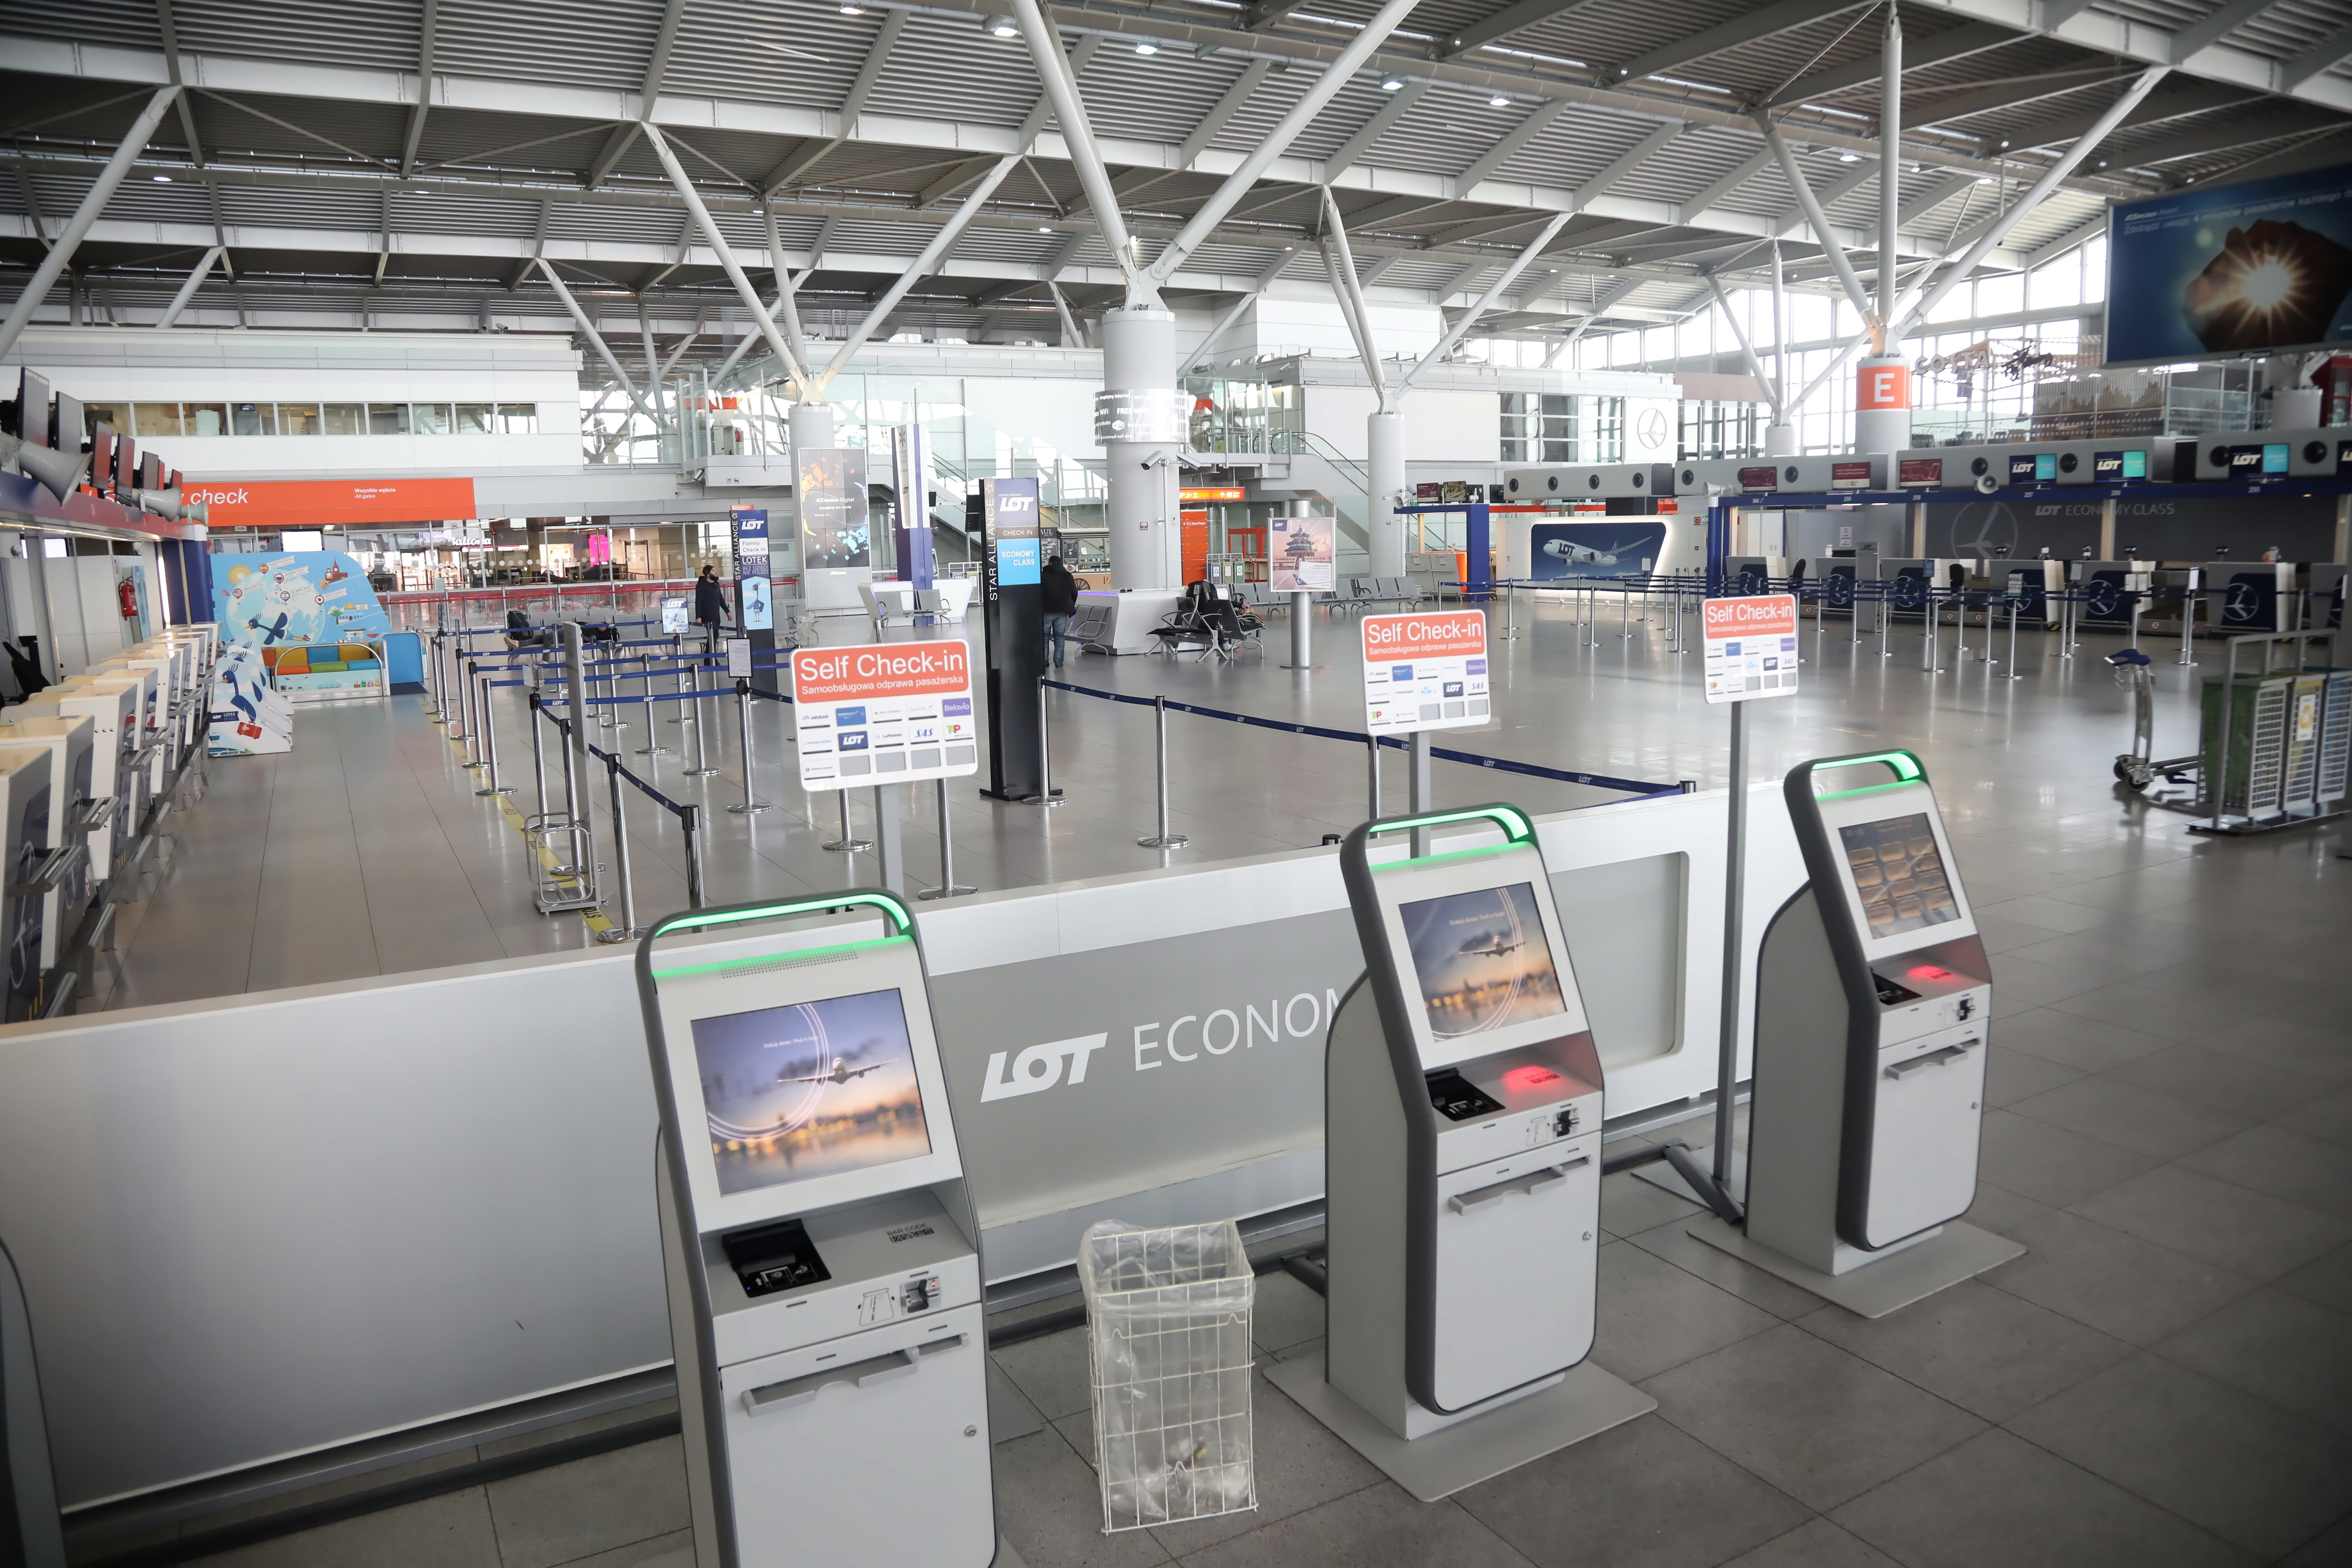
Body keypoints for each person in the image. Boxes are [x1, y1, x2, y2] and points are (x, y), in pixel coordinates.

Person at [1040, 552, 1079, 668]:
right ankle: (1059, 662)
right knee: (1060, 637)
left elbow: (1037, 593)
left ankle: (1044, 661)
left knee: (1045, 636)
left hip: (1046, 610)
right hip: (1062, 611)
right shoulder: (1067, 575)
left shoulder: (1042, 575)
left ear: (1050, 563)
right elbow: (1075, 592)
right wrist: (1069, 604)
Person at [693, 564, 729, 651]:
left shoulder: (716, 584)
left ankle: (709, 658)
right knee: (714, 635)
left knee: (715, 636)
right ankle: (711, 658)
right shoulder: (702, 585)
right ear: (708, 574)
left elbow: (720, 599)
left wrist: (727, 611)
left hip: (716, 615)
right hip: (707, 615)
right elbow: (698, 601)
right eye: (713, 570)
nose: (716, 572)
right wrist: (698, 617)